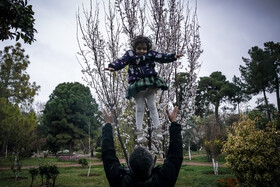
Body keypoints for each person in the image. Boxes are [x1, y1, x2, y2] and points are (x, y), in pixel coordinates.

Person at [105, 35, 183, 143]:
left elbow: (161, 57)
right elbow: (122, 61)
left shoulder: (150, 54)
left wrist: (173, 56)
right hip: (137, 84)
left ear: (147, 49)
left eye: (144, 49)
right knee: (140, 108)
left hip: (150, 83)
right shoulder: (130, 55)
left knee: (152, 106)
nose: (142, 51)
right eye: (139, 49)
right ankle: (139, 132)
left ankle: (157, 130)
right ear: (135, 48)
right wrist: (113, 66)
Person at [101, 106, 183, 187]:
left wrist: (108, 124)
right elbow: (175, 156)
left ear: (129, 166)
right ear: (152, 166)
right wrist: (174, 123)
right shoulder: (163, 181)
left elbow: (108, 155)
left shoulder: (119, 181)